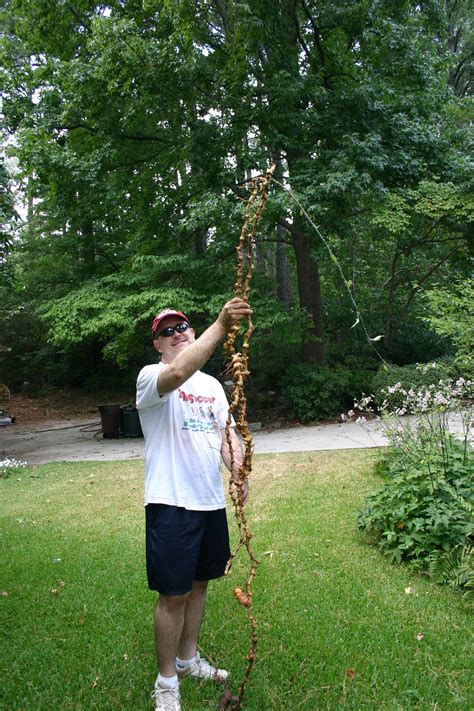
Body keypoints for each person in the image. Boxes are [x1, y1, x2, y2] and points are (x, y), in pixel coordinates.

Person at [136, 298, 251, 711]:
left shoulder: (213, 387)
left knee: (200, 583)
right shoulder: (153, 377)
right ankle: (166, 681)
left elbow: (226, 435)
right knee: (173, 594)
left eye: (182, 326)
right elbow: (181, 370)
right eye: (167, 331)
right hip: (171, 504)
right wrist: (220, 324)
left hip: (209, 503)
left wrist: (239, 470)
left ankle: (188, 660)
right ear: (157, 344)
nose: (177, 333)